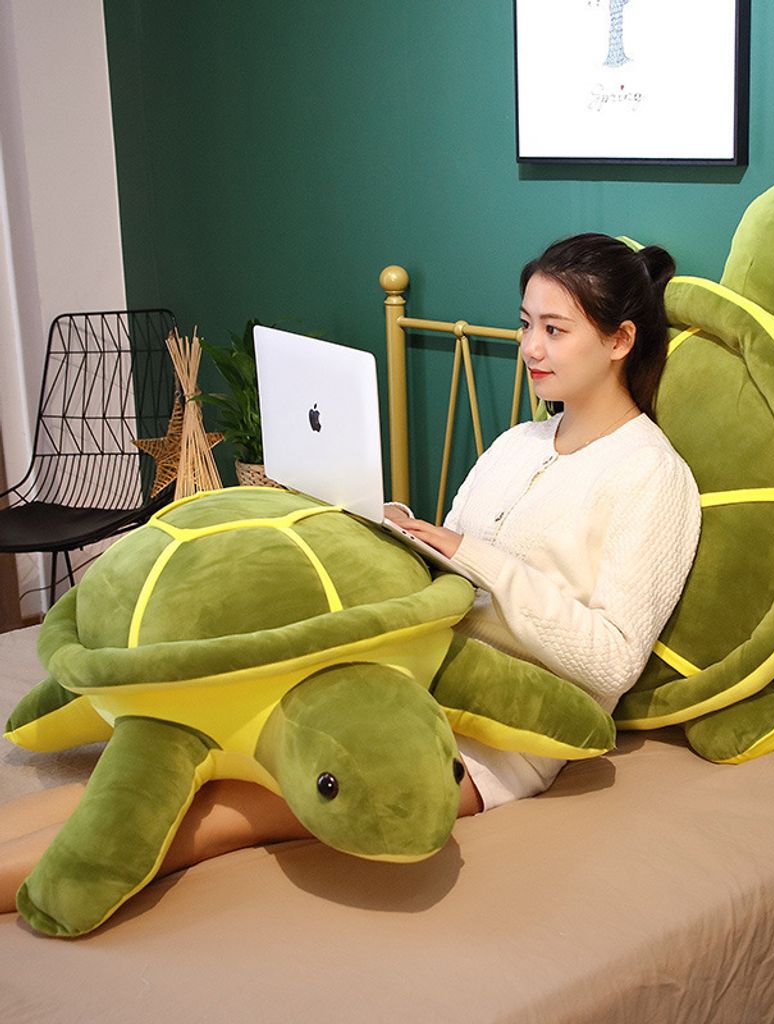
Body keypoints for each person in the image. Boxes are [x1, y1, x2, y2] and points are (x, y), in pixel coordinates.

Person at [0, 233, 700, 912]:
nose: (530, 349)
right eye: (524, 325)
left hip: (496, 732)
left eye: (554, 329)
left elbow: (612, 663)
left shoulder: (653, 476)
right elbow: (447, 565)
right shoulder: (519, 443)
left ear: (620, 340)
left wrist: (471, 556)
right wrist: (385, 526)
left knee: (211, 817)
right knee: (168, 760)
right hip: (405, 665)